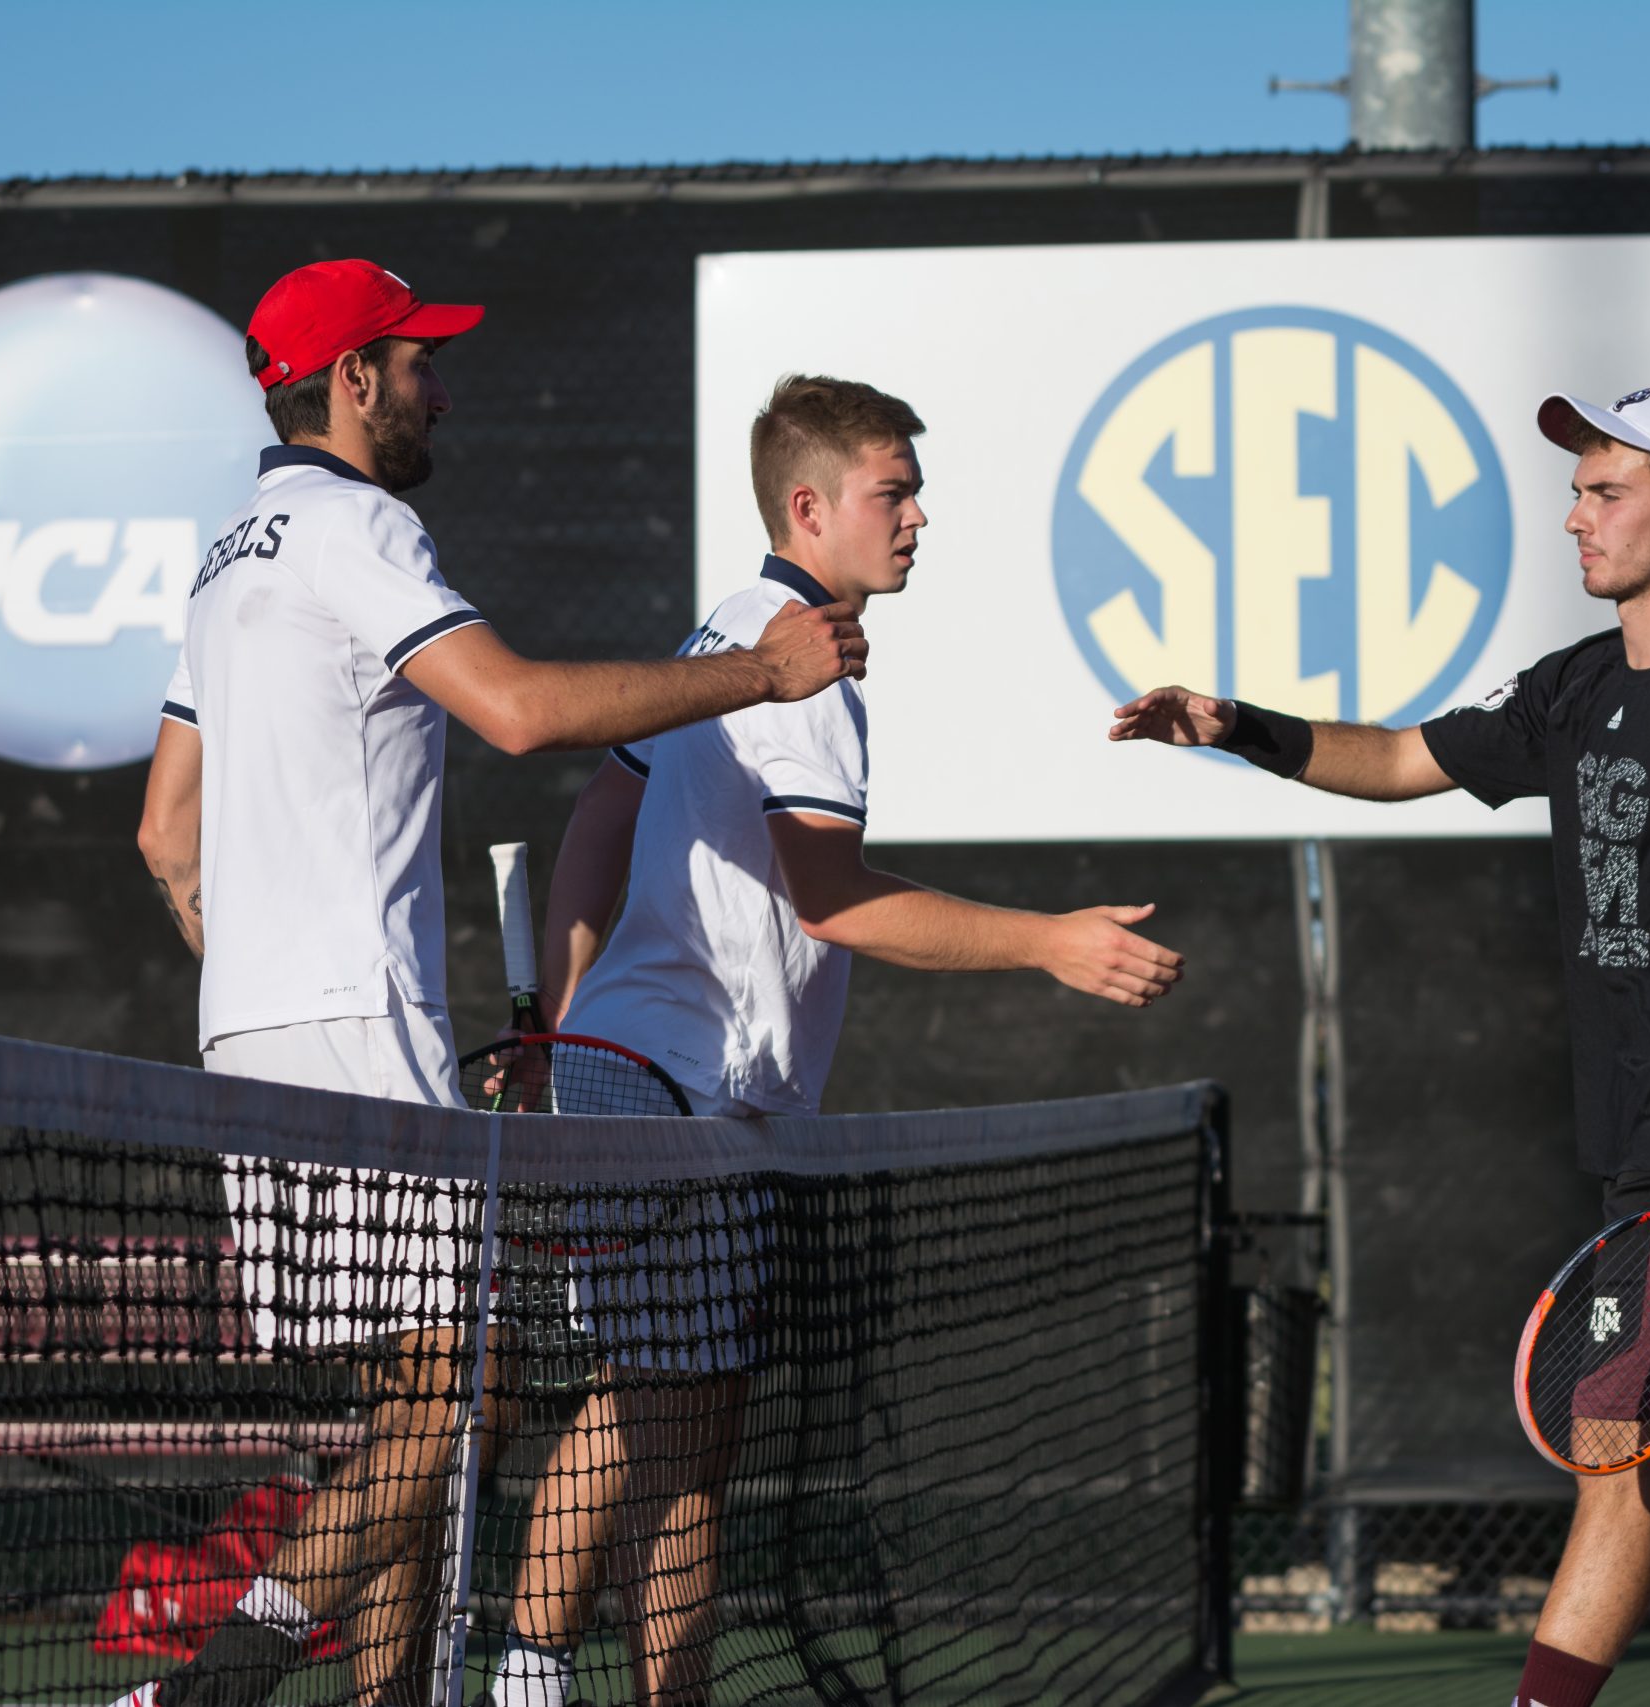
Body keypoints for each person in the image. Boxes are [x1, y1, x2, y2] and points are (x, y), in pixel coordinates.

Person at [128, 262, 866, 1707]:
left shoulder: (230, 557)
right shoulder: (357, 525)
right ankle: (206, 1688)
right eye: (416, 364)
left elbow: (164, 831)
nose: (438, 389)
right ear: (351, 378)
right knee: (470, 1395)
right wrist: (760, 677)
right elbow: (521, 710)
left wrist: (263, 973)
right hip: (353, 1021)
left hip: (255, 1031)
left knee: (409, 1406)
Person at [1110, 384, 1650, 1707]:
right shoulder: (1578, 686)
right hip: (1639, 1141)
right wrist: (1235, 724)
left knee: (1618, 1436)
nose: (1575, 516)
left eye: (1606, 492)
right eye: (1575, 489)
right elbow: (1401, 757)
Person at [485, 374, 1187, 1707]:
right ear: (810, 509)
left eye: (915, 490)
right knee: (688, 1437)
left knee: (643, 1401)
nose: (920, 515)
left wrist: (570, 1023)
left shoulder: (734, 630)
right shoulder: (796, 662)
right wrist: (1052, 942)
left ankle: (525, 1679)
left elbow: (597, 809)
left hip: (636, 1076)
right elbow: (837, 898)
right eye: (893, 491)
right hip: (677, 1089)